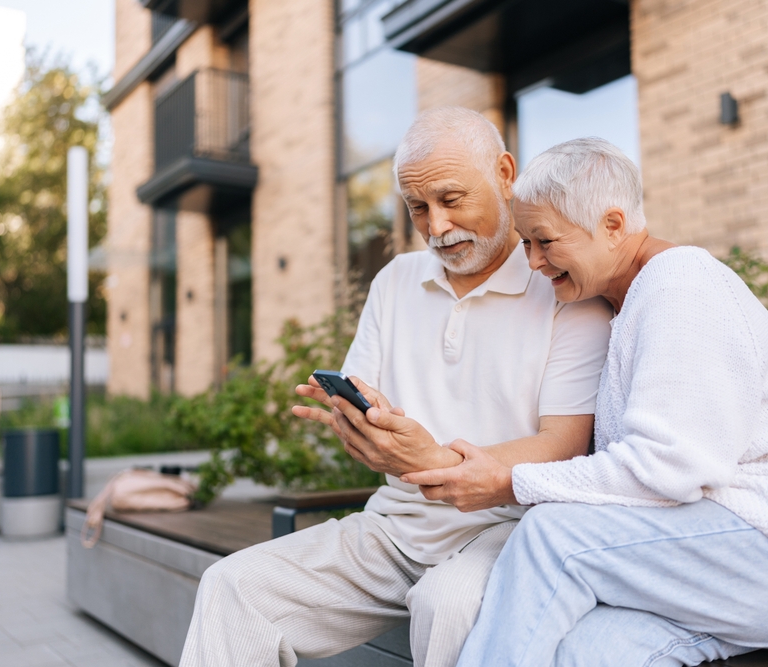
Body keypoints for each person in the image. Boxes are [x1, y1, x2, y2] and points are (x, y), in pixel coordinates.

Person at [348, 137, 768, 666]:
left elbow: (672, 467)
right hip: (732, 564)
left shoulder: (682, 287)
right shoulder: (625, 304)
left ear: (612, 225)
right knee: (582, 652)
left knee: (555, 536)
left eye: (545, 240)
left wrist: (507, 481)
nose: (534, 262)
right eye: (526, 243)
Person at [178, 109, 613, 667]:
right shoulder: (396, 281)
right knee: (233, 586)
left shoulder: (560, 286)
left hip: (506, 531)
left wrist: (433, 458)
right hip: (393, 528)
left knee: (447, 602)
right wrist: (362, 431)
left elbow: (565, 446)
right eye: (417, 208)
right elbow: (369, 410)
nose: (436, 227)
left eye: (451, 200)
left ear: (505, 174)